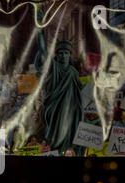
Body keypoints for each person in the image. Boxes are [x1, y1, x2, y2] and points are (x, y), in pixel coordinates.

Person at [34, 16, 84, 156]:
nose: (63, 56)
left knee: (70, 134)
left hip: (71, 110)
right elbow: (43, 52)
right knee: (56, 135)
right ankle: (55, 151)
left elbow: (78, 92)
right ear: (57, 56)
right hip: (55, 108)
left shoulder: (73, 72)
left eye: (66, 53)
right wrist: (40, 32)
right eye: (60, 53)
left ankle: (67, 151)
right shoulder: (54, 68)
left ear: (69, 55)